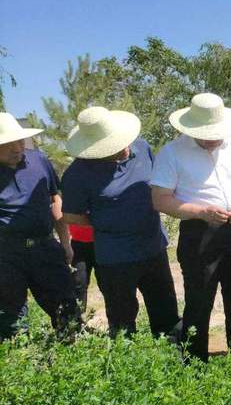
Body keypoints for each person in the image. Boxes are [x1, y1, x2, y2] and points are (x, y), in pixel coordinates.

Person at [151, 93, 231, 361]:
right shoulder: (172, 153)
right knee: (199, 303)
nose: (214, 138)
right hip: (200, 233)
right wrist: (202, 211)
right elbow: (160, 200)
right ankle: (195, 363)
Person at [62, 107, 179, 338]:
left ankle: (173, 362)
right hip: (114, 258)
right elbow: (72, 215)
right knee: (122, 320)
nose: (122, 149)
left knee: (165, 312)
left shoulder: (143, 148)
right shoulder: (77, 174)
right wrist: (108, 222)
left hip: (153, 248)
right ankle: (127, 365)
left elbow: (158, 185)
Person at [0, 113, 80, 340]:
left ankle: (74, 363)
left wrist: (66, 242)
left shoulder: (38, 160)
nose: (17, 148)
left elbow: (55, 199)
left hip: (45, 248)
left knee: (67, 313)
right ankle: (21, 368)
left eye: (19, 141)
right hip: (6, 255)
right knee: (11, 322)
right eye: (8, 144)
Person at [69, 222, 95, 313]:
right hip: (78, 243)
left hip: (102, 241)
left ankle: (117, 323)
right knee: (78, 283)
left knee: (109, 284)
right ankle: (78, 321)